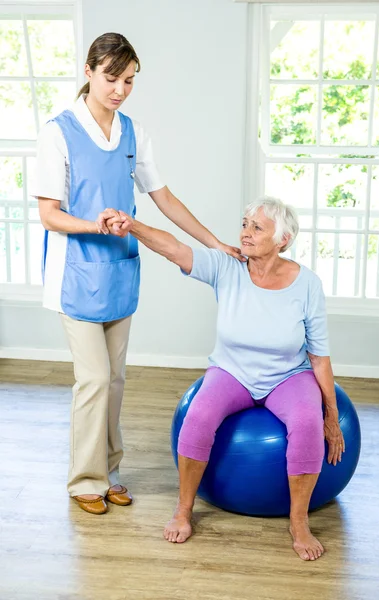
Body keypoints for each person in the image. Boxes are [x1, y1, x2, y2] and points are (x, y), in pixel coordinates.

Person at [34, 32, 242, 515]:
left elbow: (163, 198)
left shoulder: (132, 133)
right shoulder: (58, 132)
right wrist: (97, 224)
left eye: (129, 80)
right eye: (111, 78)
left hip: (120, 272)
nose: (120, 90)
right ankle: (83, 479)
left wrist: (214, 243)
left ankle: (109, 472)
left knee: (116, 381)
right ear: (88, 72)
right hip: (76, 273)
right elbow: (49, 214)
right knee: (93, 380)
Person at [105, 196, 345, 560]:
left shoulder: (307, 284)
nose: (245, 233)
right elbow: (174, 248)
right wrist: (132, 225)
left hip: (288, 376)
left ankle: (299, 522)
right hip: (231, 371)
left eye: (257, 228)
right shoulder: (227, 266)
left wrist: (332, 416)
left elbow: (319, 356)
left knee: (307, 423)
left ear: (283, 240)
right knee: (198, 417)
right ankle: (183, 510)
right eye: (245, 224)